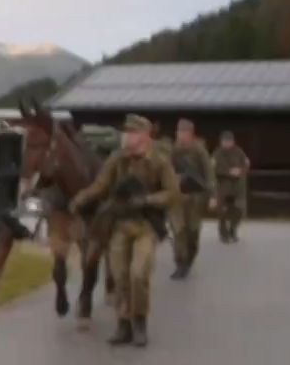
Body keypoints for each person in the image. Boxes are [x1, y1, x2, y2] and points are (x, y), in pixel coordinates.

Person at [69, 114, 179, 347]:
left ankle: (140, 322)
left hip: (145, 227)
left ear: (145, 136)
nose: (127, 137)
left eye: (133, 133)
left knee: (138, 274)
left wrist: (147, 200)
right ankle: (123, 324)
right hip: (119, 225)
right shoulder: (117, 160)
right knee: (120, 277)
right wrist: (81, 199)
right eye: (126, 132)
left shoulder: (159, 162)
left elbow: (172, 194)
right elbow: (101, 185)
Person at [168, 119, 215, 278]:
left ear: (191, 134)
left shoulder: (199, 150)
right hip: (179, 195)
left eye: (184, 132)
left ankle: (189, 257)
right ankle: (180, 263)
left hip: (196, 197)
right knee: (178, 230)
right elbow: (166, 169)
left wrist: (212, 195)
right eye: (178, 132)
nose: (180, 135)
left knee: (192, 231)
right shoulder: (173, 150)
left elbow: (209, 173)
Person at [211, 130, 250, 242]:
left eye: (229, 141)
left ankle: (233, 229)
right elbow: (212, 169)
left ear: (233, 141)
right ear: (221, 142)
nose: (227, 143)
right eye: (225, 141)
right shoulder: (217, 153)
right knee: (221, 211)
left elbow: (246, 164)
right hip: (223, 186)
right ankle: (224, 233)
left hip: (237, 187)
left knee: (238, 210)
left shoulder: (239, 152)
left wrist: (240, 171)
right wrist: (228, 172)